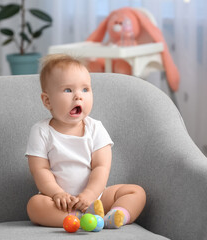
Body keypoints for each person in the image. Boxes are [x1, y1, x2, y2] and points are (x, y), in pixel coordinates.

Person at [25, 54, 146, 229]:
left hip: (96, 198)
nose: (78, 97)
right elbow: (40, 170)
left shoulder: (95, 128)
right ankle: (79, 219)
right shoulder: (41, 131)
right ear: (47, 100)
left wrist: (89, 195)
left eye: (85, 89)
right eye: (68, 90)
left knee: (136, 192)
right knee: (35, 206)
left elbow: (101, 167)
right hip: (60, 203)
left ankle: (116, 215)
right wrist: (57, 194)